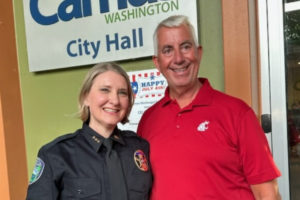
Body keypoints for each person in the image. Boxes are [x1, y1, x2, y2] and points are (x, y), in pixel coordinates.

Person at [137, 15, 281, 200]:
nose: (178, 58)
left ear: (199, 53)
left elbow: (267, 194)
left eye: (185, 47)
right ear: (157, 63)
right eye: (168, 50)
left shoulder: (238, 113)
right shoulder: (148, 120)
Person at [26, 62, 152, 200]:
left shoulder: (140, 148)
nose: (115, 100)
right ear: (86, 97)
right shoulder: (56, 154)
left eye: (122, 92)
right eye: (105, 90)